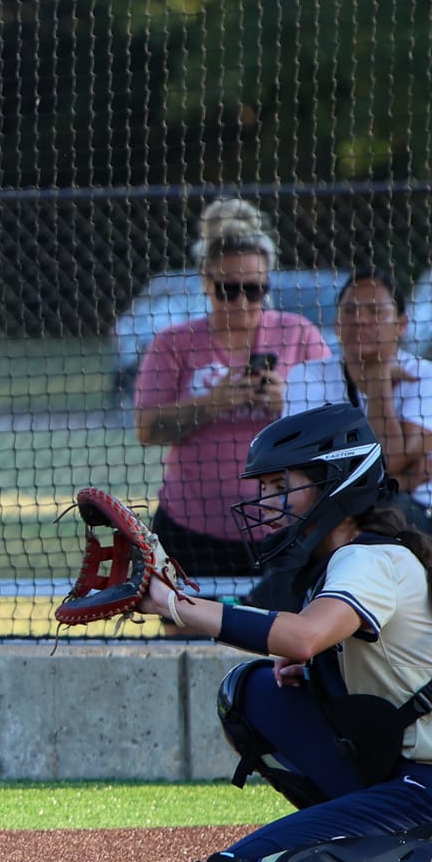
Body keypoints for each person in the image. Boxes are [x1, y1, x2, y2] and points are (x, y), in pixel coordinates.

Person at [140, 403, 432, 862]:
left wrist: (173, 604)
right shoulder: (352, 559)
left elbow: (301, 633)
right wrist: (321, 668)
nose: (267, 502)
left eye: (281, 485)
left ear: (333, 484)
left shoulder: (367, 559)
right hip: (418, 771)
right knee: (248, 696)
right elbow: (330, 650)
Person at [134, 198, 331, 581]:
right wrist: (213, 403)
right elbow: (147, 428)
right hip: (190, 525)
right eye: (228, 290)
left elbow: (333, 426)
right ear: (206, 283)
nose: (242, 302)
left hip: (284, 526)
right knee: (184, 637)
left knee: (278, 636)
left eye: (254, 290)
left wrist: (286, 402)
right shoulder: (174, 343)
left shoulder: (298, 334)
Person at [282, 269, 432, 588]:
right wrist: (404, 479)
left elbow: (386, 460)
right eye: (349, 311)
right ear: (337, 323)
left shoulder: (430, 378)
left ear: (401, 324)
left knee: (371, 518)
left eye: (376, 311)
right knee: (303, 519)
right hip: (337, 511)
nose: (360, 320)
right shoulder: (307, 378)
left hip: (431, 519)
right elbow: (305, 471)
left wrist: (378, 380)